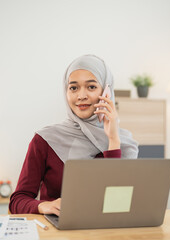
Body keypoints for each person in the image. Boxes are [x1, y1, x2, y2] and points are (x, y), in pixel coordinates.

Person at [9, 54, 138, 216]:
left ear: (106, 91)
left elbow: (117, 204)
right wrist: (43, 206)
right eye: (73, 87)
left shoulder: (123, 142)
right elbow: (17, 201)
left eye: (91, 87)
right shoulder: (45, 140)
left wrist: (113, 140)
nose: (81, 96)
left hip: (106, 232)